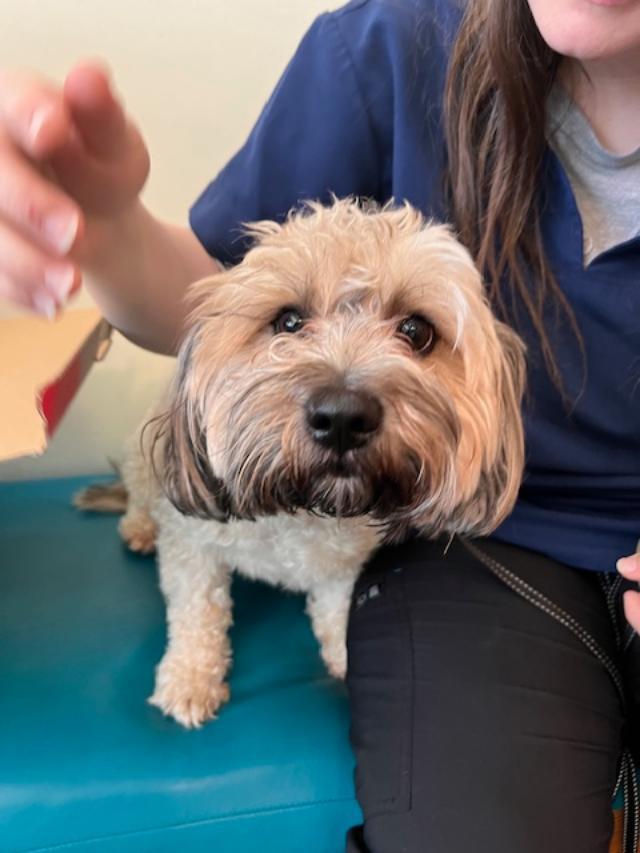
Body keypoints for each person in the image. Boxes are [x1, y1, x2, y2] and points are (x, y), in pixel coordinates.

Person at [1, 0, 639, 850]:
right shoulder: (387, 48)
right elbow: (208, 303)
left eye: (414, 332)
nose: (344, 390)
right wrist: (108, 227)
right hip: (474, 543)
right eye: (297, 323)